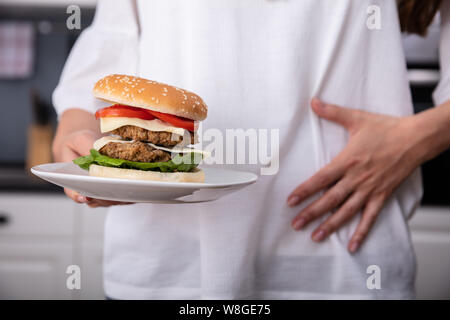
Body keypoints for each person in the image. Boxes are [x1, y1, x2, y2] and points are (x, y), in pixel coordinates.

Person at [52, 0, 450, 299]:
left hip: (343, 260)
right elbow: (111, 42)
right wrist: (80, 137)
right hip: (166, 265)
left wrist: (417, 137)